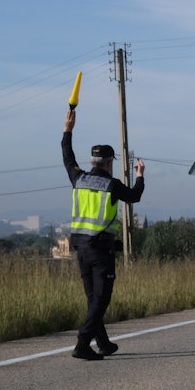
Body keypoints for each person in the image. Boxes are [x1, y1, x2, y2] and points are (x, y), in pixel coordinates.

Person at [62, 109, 145, 360]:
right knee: (101, 299)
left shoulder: (78, 178)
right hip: (100, 251)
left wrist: (68, 130)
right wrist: (140, 176)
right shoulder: (111, 185)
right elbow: (135, 196)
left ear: (92, 162)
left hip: (80, 248)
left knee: (93, 298)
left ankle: (103, 343)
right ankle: (82, 343)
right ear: (109, 163)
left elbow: (67, 156)